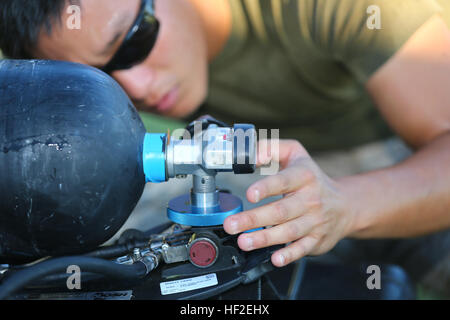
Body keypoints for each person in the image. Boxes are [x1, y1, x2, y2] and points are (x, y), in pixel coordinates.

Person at [1, 0, 450, 296]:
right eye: (98, 81)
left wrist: (346, 204)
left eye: (135, 39)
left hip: (413, 172)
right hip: (268, 187)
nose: (135, 88)